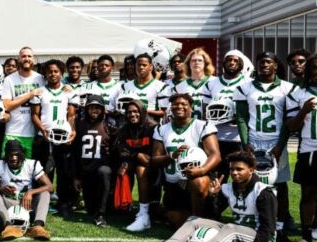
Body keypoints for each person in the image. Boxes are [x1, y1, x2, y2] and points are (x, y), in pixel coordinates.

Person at [139, 151, 277, 242]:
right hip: (237, 233)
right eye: (232, 169)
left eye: (239, 169)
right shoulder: (228, 188)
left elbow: (268, 228)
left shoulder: (263, 192)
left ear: (251, 170)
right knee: (195, 220)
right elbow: (212, 214)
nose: (234, 173)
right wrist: (213, 196)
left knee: (230, 228)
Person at [234, 51, 294, 242]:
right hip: (253, 141)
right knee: (251, 184)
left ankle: (281, 226)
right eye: (261, 62)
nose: (264, 65)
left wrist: (280, 145)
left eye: (268, 62)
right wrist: (246, 143)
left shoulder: (287, 88)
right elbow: (242, 118)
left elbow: (287, 120)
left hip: (276, 142)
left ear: (276, 65)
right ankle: (253, 222)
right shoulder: (244, 88)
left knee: (280, 185)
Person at [152, 93, 221, 228]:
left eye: (184, 104)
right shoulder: (161, 129)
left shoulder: (203, 126)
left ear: (191, 108)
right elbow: (155, 159)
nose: (179, 107)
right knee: (176, 219)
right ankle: (197, 221)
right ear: (170, 108)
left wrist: (201, 170)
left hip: (197, 179)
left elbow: (215, 155)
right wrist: (171, 156)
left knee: (198, 182)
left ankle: (199, 222)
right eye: (175, 104)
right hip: (174, 184)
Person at [286, 52, 317, 242]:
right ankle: (307, 238)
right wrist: (303, 111)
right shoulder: (297, 94)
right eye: (314, 68)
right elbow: (291, 126)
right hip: (309, 150)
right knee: (308, 194)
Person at [31, 59, 77, 217]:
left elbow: (71, 115)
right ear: (45, 74)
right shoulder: (40, 91)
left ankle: (64, 203)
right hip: (43, 137)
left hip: (62, 137)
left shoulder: (68, 91)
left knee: (64, 171)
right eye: (50, 71)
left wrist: (71, 130)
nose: (53, 74)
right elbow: (34, 115)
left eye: (56, 71)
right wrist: (42, 129)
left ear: (61, 73)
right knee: (44, 171)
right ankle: (44, 201)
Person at [0, 139, 53, 241]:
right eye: (10, 155)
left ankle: (38, 226)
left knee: (45, 193)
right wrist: (2, 189)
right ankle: (8, 226)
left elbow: (50, 186)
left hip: (27, 204)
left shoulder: (32, 164)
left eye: (16, 155)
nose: (13, 158)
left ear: (22, 154)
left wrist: (30, 192)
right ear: (6, 155)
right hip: (8, 204)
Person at [73, 95, 116, 227]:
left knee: (104, 171)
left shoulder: (109, 125)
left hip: (101, 170)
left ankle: (101, 214)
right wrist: (77, 176)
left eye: (98, 107)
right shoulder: (80, 125)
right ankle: (97, 210)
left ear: (103, 109)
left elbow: (115, 151)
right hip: (86, 171)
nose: (95, 110)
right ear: (87, 109)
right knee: (90, 210)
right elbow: (76, 152)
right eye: (92, 107)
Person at [115, 100, 158, 232]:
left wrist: (134, 155)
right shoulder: (124, 129)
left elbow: (152, 157)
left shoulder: (152, 127)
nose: (132, 114)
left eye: (135, 111)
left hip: (153, 164)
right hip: (134, 161)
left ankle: (144, 214)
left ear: (142, 112)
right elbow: (121, 150)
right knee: (119, 168)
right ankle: (120, 206)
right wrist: (129, 160)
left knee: (141, 169)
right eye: (129, 112)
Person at [204, 50, 248, 180]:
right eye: (229, 60)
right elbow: (204, 110)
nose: (232, 63)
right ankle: (216, 200)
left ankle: (238, 200)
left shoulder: (248, 83)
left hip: (238, 137)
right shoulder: (211, 83)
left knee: (239, 176)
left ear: (241, 64)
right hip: (216, 137)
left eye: (235, 60)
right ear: (223, 63)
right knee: (216, 177)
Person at [1, 46, 44, 158]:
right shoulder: (9, 79)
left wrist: (66, 87)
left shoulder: (40, 79)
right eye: (23, 56)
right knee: (8, 166)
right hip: (13, 132)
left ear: (33, 59)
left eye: (29, 56)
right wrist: (29, 95)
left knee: (29, 170)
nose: (26, 58)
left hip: (33, 133)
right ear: (19, 59)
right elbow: (7, 105)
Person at [108, 53, 167, 121]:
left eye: (144, 65)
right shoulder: (124, 86)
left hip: (150, 127)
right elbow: (115, 108)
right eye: (139, 65)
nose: (141, 67)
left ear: (151, 67)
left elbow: (164, 112)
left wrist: (141, 111)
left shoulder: (161, 86)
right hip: (130, 127)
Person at [171, 47, 216, 119]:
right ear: (188, 64)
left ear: (205, 63)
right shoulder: (179, 87)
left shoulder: (215, 82)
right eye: (193, 60)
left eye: (200, 60)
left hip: (210, 126)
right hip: (188, 127)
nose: (197, 63)